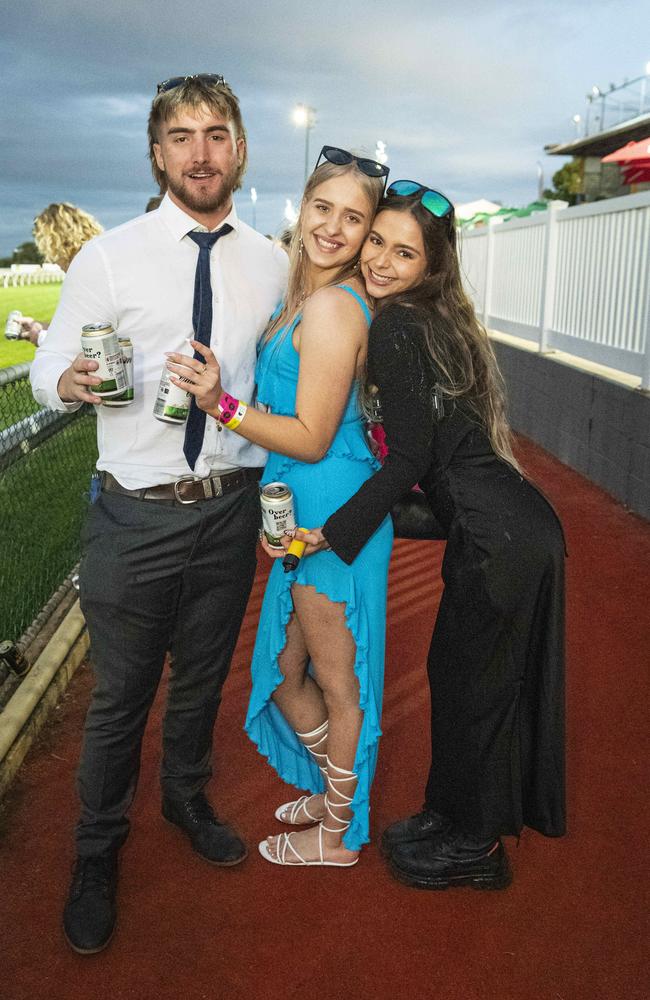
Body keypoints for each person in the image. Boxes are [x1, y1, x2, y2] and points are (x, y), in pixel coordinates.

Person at [30, 74, 288, 953]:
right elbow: (53, 361)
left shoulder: (272, 262)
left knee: (203, 679)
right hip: (134, 516)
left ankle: (185, 796)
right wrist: (60, 378)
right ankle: (97, 848)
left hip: (228, 507)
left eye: (218, 133)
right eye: (181, 136)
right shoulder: (109, 258)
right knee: (120, 698)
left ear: (241, 147)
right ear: (157, 153)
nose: (201, 152)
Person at [294, 181, 567, 889]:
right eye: (376, 241)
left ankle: (475, 849)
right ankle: (451, 815)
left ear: (431, 265)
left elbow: (413, 460)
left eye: (403, 252)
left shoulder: (398, 326)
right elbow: (435, 470)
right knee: (460, 679)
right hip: (509, 528)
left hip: (498, 539)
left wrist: (334, 529)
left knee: (478, 691)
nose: (381, 260)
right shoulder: (434, 318)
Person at [165, 146, 392, 868]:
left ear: (366, 233)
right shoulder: (305, 295)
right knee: (292, 672)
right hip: (300, 506)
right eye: (323, 207)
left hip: (331, 511)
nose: (333, 226)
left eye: (353, 218)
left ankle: (337, 833)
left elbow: (313, 434)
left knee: (336, 682)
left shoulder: (330, 305)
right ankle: (336, 794)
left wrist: (219, 405)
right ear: (304, 206)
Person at [16, 203, 104, 345]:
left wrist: (40, 336)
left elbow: (87, 341)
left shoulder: (83, 273)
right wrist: (38, 325)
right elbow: (79, 328)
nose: (52, 260)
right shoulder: (97, 262)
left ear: (55, 242)